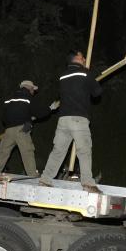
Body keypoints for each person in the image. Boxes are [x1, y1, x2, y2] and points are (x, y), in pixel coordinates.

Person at [39, 50, 102, 192]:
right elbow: (97, 92)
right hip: (79, 118)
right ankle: (88, 183)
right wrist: (91, 78)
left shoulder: (62, 76)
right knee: (84, 151)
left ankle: (45, 179)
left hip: (63, 119)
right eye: (82, 57)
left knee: (58, 151)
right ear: (76, 59)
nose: (85, 58)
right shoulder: (85, 73)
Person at [0, 80, 55, 177]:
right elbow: (39, 112)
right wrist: (50, 108)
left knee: (3, 151)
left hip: (9, 130)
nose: (34, 91)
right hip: (22, 129)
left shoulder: (10, 98)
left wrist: (23, 118)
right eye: (33, 89)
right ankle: (32, 175)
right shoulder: (28, 97)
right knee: (27, 151)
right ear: (29, 88)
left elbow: (4, 115)